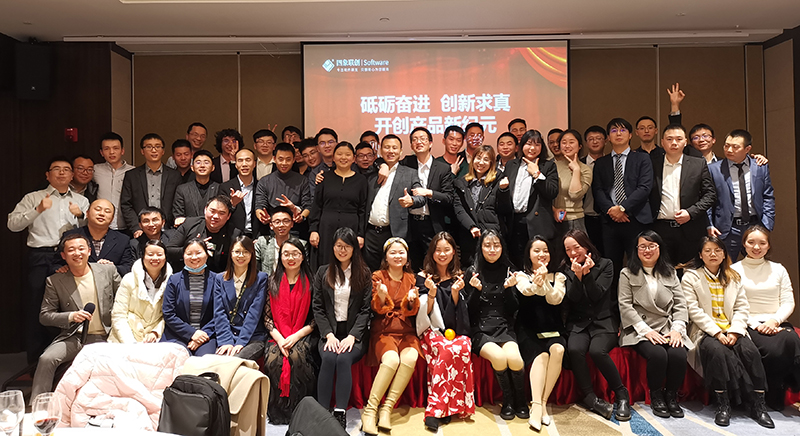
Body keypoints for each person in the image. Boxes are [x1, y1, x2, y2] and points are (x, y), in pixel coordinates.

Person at [680, 236, 773, 428]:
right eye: (707, 251)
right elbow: (693, 310)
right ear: (700, 255)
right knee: (717, 352)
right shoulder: (691, 277)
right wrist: (717, 333)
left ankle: (758, 405)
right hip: (705, 331)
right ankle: (723, 404)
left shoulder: (733, 277)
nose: (713, 254)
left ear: (724, 254)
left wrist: (735, 331)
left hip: (733, 328)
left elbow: (742, 308)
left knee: (750, 352)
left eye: (717, 250)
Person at [8, 156, 89, 362]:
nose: (62, 173)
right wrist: (38, 210)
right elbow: (13, 224)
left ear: (72, 175)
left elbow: (90, 229)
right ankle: (36, 362)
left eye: (66, 169)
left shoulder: (81, 201)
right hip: (40, 256)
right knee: (37, 306)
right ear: (47, 175)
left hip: (69, 257)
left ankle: (67, 359)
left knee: (69, 305)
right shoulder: (33, 197)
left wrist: (80, 215)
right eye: (56, 169)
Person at [31, 233, 122, 401]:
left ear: (89, 251)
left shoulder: (107, 270)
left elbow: (125, 301)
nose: (77, 253)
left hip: (108, 336)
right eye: (71, 250)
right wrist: (71, 316)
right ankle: (39, 405)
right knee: (46, 358)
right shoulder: (55, 280)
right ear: (63, 256)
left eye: (81, 248)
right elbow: (45, 316)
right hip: (75, 337)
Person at [618, 230, 689, 419]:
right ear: (636, 250)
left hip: (667, 326)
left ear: (659, 248)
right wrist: (646, 331)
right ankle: (656, 396)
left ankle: (671, 396)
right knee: (658, 354)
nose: (647, 250)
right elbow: (625, 305)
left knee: (678, 354)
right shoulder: (627, 273)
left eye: (651, 246)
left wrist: (677, 329)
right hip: (639, 328)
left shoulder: (670, 272)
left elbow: (680, 304)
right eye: (642, 246)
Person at [731, 226, 800, 410]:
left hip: (776, 322)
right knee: (786, 342)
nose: (756, 247)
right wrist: (757, 325)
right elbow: (732, 306)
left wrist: (774, 321)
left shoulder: (778, 269)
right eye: (751, 242)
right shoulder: (733, 270)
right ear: (744, 244)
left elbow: (788, 301)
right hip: (749, 323)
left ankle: (777, 389)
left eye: (762, 243)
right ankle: (776, 390)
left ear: (768, 246)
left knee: (790, 338)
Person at [562, 229, 627, 421]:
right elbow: (573, 298)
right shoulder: (566, 269)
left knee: (598, 351)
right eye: (568, 249)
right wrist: (577, 276)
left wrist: (587, 274)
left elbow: (597, 294)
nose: (573, 253)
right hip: (579, 322)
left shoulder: (606, 264)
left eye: (577, 247)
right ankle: (590, 398)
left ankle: (622, 394)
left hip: (603, 321)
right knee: (575, 349)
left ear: (586, 245)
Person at [312, 227, 373, 429]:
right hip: (329, 332)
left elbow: (365, 310)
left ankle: (340, 412)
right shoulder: (323, 272)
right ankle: (322, 412)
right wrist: (328, 335)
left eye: (347, 246)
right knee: (329, 357)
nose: (342, 250)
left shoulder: (364, 273)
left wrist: (352, 336)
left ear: (354, 248)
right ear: (333, 247)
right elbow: (318, 307)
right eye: (339, 246)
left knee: (344, 358)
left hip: (353, 334)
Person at [464, 229, 527, 421]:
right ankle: (508, 401)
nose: (492, 249)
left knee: (515, 359)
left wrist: (508, 289)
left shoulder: (509, 270)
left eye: (496, 245)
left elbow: (514, 308)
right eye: (487, 245)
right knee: (499, 358)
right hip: (480, 329)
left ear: (502, 247)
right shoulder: (472, 271)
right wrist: (476, 291)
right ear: (481, 248)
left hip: (504, 327)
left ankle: (521, 401)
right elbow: (468, 312)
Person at [361, 237, 421, 435]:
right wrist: (381, 295)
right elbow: (376, 308)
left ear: (407, 256)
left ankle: (387, 408)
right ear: (385, 257)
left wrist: (411, 301)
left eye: (401, 252)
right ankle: (370, 411)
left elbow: (413, 311)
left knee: (410, 357)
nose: (397, 256)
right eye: (393, 252)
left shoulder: (411, 278)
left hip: (406, 330)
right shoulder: (378, 276)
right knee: (392, 360)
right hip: (384, 329)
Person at [416, 232, 474, 431]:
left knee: (463, 347)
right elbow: (424, 315)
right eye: (438, 250)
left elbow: (460, 314)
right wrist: (431, 293)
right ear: (432, 253)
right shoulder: (423, 277)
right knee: (446, 350)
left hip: (455, 329)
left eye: (446, 250)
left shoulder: (460, 277)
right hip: (432, 330)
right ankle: (435, 410)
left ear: (453, 252)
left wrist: (456, 292)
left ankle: (446, 407)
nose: (442, 254)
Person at [591, 118, 654, 292]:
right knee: (612, 265)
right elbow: (598, 190)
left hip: (636, 219)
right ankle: (613, 304)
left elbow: (644, 187)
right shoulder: (601, 162)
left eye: (623, 130)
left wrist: (623, 208)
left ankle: (639, 302)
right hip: (610, 221)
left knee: (638, 264)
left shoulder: (642, 158)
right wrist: (612, 210)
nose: (618, 134)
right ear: (608, 138)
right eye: (613, 131)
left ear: (631, 135)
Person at [263, 237, 317, 425]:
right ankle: (279, 413)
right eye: (286, 254)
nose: (291, 258)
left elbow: (316, 318)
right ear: (280, 257)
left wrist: (295, 336)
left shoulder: (312, 281)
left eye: (295, 254)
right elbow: (267, 318)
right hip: (277, 334)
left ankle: (300, 411)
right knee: (273, 360)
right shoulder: (272, 281)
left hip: (304, 332)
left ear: (303, 257)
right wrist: (280, 339)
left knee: (297, 357)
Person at [514, 236, 565, 430]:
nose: (541, 254)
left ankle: (543, 402)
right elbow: (527, 291)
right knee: (541, 356)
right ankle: (536, 407)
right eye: (536, 250)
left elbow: (555, 299)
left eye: (545, 250)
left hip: (552, 327)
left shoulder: (559, 277)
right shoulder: (520, 275)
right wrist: (538, 282)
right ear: (529, 254)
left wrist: (544, 281)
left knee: (558, 350)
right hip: (528, 328)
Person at [649, 124, 716, 265]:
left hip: (690, 228)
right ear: (662, 142)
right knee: (663, 271)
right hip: (660, 228)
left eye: (679, 139)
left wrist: (690, 212)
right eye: (669, 139)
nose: (674, 143)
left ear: (685, 142)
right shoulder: (652, 164)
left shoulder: (698, 164)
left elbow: (710, 195)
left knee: (690, 272)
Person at [707, 129, 775, 259]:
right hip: (726, 229)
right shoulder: (714, 169)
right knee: (725, 266)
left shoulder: (760, 166)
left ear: (747, 149)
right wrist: (709, 224)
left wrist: (767, 223)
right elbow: (708, 200)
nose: (729, 150)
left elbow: (768, 196)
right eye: (726, 145)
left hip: (755, 225)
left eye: (735, 147)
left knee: (756, 265)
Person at [363, 135, 424, 270]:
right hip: (370, 234)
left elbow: (421, 197)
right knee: (370, 272)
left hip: (394, 232)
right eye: (387, 147)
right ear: (380, 150)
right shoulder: (372, 171)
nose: (390, 151)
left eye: (394, 148)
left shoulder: (409, 173)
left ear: (401, 151)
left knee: (394, 272)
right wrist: (380, 164)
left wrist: (412, 200)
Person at [502, 130, 558, 268]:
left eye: (537, 144)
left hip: (536, 221)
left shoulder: (548, 166)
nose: (532, 148)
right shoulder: (511, 165)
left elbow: (552, 192)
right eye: (528, 144)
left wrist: (537, 174)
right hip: (514, 221)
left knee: (538, 261)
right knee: (516, 259)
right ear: (521, 146)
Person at [309, 142, 368, 267]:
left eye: (347, 154)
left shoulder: (361, 180)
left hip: (351, 225)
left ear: (354, 158)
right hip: (326, 226)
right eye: (340, 154)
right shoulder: (323, 178)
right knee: (326, 261)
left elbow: (362, 210)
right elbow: (317, 205)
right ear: (333, 157)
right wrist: (314, 230)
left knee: (349, 262)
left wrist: (360, 234)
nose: (343, 157)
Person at [402, 127, 454, 269]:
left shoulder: (442, 168)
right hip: (410, 223)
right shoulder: (406, 163)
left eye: (423, 139)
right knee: (412, 263)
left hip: (432, 223)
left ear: (430, 143)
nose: (419, 142)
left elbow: (449, 198)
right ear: (411, 145)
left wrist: (428, 192)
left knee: (433, 263)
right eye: (415, 139)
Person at [452, 145, 511, 263]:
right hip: (469, 235)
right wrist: (471, 226)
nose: (481, 162)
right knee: (470, 268)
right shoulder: (461, 182)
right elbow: (459, 209)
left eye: (486, 159)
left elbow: (505, 209)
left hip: (492, 235)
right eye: (478, 158)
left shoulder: (498, 181)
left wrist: (504, 191)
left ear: (491, 163)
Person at [213, 235, 268, 360]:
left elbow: (254, 313)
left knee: (235, 360)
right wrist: (226, 341)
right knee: (217, 361)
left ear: (252, 254)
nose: (241, 256)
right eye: (237, 251)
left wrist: (241, 342)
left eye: (246, 252)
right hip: (228, 335)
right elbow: (219, 312)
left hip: (253, 336)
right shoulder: (220, 279)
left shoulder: (261, 278)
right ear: (231, 253)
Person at [161, 238, 218, 356]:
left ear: (207, 254)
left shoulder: (217, 280)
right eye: (189, 253)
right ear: (183, 256)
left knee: (204, 361)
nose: (194, 257)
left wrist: (201, 335)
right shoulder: (174, 280)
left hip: (206, 335)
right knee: (177, 359)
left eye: (198, 253)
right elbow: (168, 313)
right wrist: (192, 333)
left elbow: (219, 313)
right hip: (177, 334)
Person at [109, 239, 172, 343]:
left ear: (165, 257)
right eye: (150, 254)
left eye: (159, 254)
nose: (155, 258)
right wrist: (130, 342)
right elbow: (118, 315)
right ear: (143, 257)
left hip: (154, 340)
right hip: (124, 339)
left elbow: (169, 315)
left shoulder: (171, 282)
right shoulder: (129, 279)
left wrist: (156, 332)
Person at [120, 133, 182, 234]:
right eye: (149, 147)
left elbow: (178, 203)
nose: (154, 150)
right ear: (142, 151)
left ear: (163, 151)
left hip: (168, 229)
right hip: (141, 229)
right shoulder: (132, 175)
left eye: (158, 146)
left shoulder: (174, 175)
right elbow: (126, 205)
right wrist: (136, 227)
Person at [166, 195, 243, 273]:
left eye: (221, 213)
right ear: (205, 210)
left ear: (228, 216)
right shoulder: (189, 224)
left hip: (219, 276)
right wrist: (192, 248)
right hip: (187, 274)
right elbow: (169, 251)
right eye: (212, 211)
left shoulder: (234, 234)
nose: (216, 216)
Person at [60, 199, 135, 276]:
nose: (102, 214)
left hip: (109, 281)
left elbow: (128, 267)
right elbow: (56, 263)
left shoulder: (122, 239)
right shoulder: (70, 236)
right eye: (97, 209)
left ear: (112, 218)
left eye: (107, 211)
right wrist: (63, 268)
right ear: (87, 213)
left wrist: (111, 268)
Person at [254, 142, 312, 236]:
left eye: (288, 159)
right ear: (274, 159)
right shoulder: (264, 181)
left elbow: (308, 206)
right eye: (280, 159)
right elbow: (259, 206)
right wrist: (263, 217)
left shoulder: (302, 180)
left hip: (296, 231)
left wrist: (301, 216)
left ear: (293, 160)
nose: (284, 163)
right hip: (271, 231)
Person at [553, 129, 593, 234]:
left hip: (575, 219)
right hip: (553, 218)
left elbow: (575, 195)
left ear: (579, 146)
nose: (567, 146)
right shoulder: (553, 166)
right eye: (564, 142)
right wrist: (553, 209)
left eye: (571, 142)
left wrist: (576, 170)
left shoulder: (585, 169)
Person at [94, 132, 135, 231]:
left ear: (122, 151)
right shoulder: (95, 170)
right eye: (106, 149)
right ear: (101, 152)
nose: (111, 152)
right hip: (100, 225)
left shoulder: (133, 172)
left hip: (126, 225)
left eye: (115, 148)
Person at [172, 150, 219, 228]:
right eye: (198, 162)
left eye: (206, 162)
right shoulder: (182, 190)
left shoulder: (219, 188)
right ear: (192, 167)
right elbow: (178, 217)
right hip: (188, 232)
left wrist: (188, 220)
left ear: (213, 167)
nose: (202, 166)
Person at [255, 207, 307, 276]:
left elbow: (305, 270)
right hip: (268, 281)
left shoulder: (302, 244)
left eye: (286, 221)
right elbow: (254, 267)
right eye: (277, 222)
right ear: (271, 225)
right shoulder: (262, 242)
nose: (281, 225)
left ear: (292, 224)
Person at [219, 148, 260, 237]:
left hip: (257, 236)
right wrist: (232, 204)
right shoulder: (225, 187)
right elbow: (221, 214)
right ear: (236, 165)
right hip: (233, 236)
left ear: (254, 164)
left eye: (248, 160)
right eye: (240, 161)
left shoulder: (261, 186)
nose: (244, 164)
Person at [581, 126, 606, 255]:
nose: (595, 142)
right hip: (584, 217)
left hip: (606, 217)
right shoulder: (579, 164)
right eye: (591, 139)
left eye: (598, 138)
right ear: (586, 143)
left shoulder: (611, 163)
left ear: (606, 141)